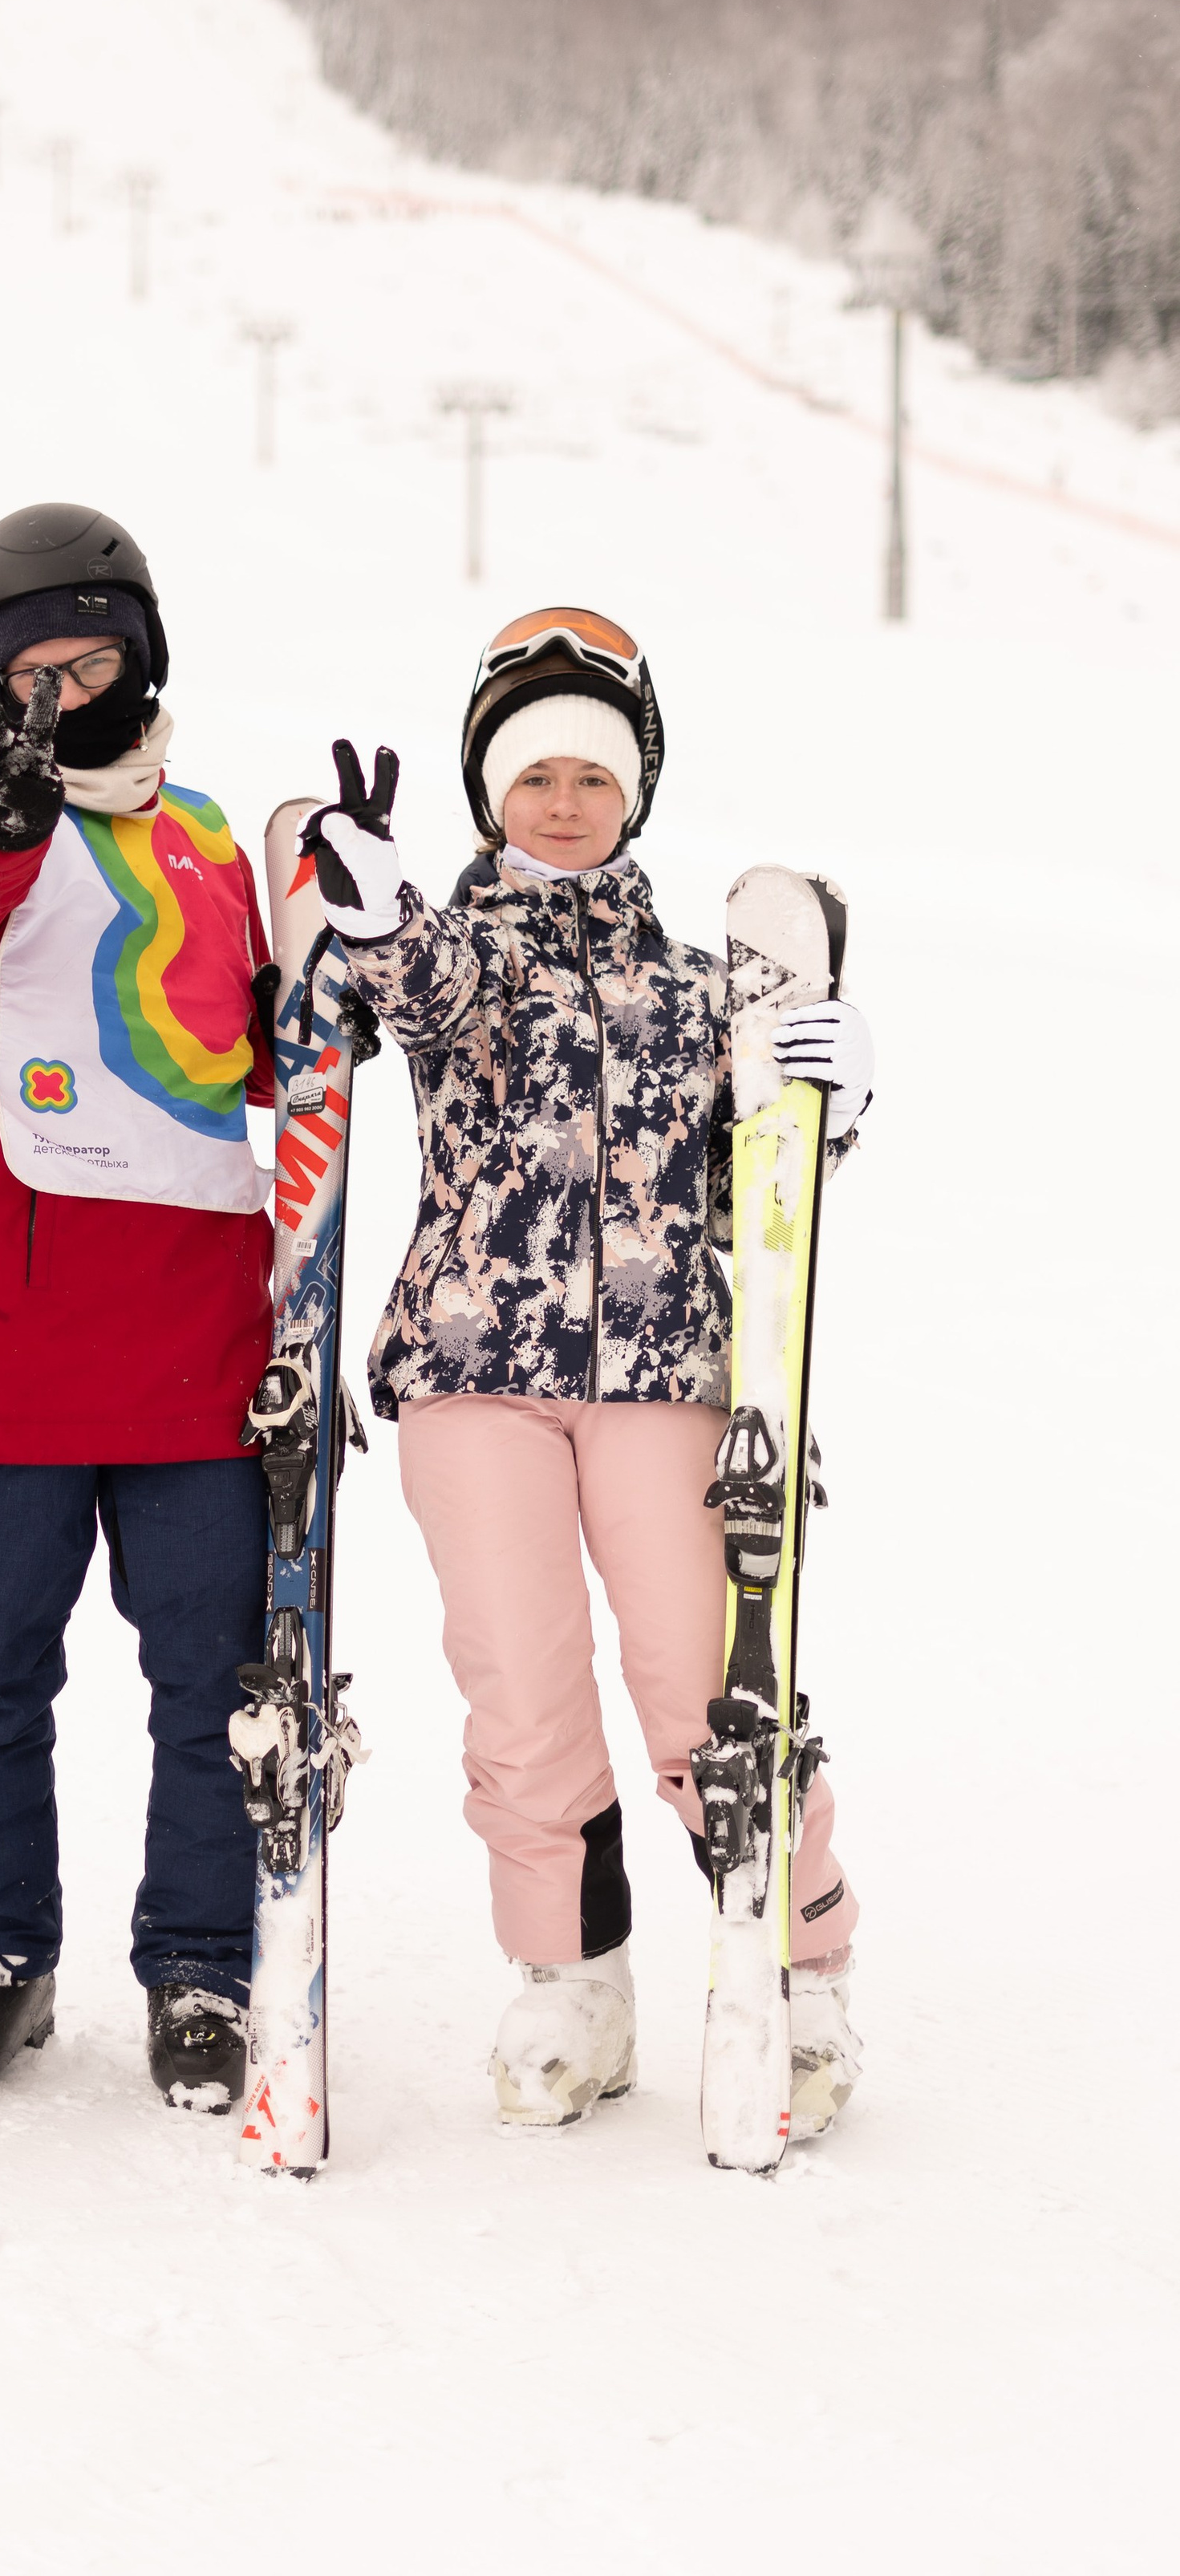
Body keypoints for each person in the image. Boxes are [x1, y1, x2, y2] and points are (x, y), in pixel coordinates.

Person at [304, 609, 874, 2135]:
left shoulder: (697, 986)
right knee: (522, 1688)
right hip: (470, 1372)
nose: (564, 800)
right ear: (492, 791)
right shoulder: (459, 961)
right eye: (534, 773)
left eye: (594, 776)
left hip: (669, 1377)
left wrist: (835, 1081)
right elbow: (408, 987)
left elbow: (780, 1164)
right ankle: (572, 1982)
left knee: (711, 1684)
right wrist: (365, 914)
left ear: (636, 796)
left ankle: (799, 1967)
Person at [0, 502, 277, 2112]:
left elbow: (262, 1051)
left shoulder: (210, 838)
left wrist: (332, 990)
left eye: (88, 658)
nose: (59, 693)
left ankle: (200, 1963)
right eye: (24, 670)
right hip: (2, 1323)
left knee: (217, 1676)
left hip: (191, 1325)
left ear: (144, 655)